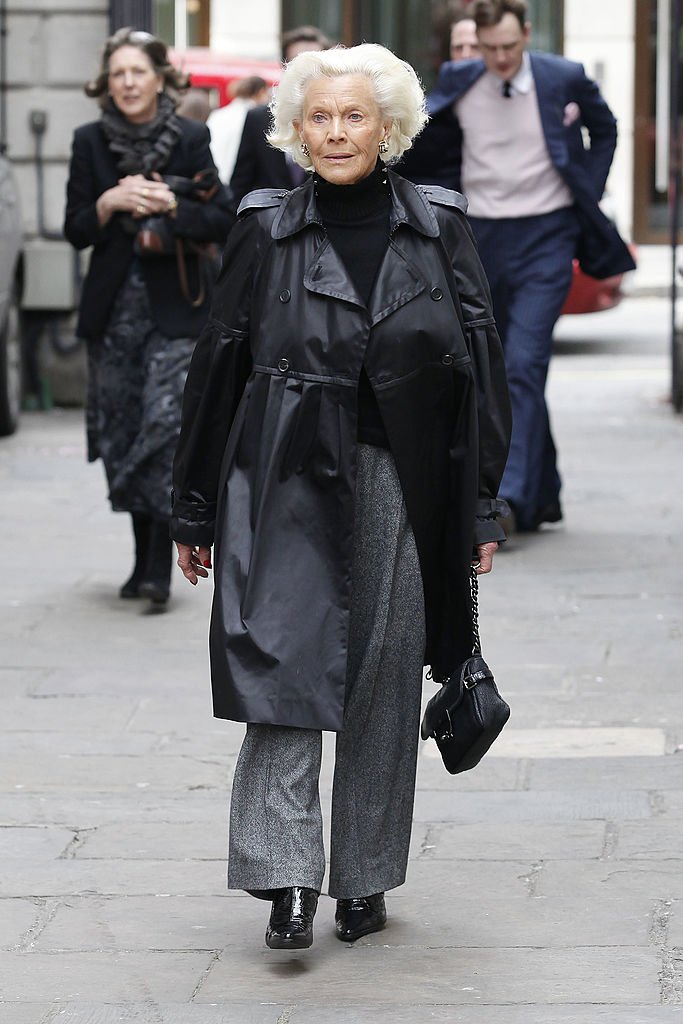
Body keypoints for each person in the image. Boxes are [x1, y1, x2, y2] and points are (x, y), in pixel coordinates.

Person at [170, 43, 511, 951]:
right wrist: (194, 507)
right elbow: (219, 365)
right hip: (279, 475)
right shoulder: (264, 224)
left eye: (353, 116)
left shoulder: (438, 225)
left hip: (403, 480)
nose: (333, 132)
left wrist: (480, 504)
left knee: (384, 678)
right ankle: (287, 876)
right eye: (317, 116)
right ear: (294, 128)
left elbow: (479, 368)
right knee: (280, 671)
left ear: (388, 127)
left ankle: (363, 877)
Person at [400, 0, 635, 533]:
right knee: (493, 367)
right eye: (489, 48)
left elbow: (607, 128)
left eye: (510, 46)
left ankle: (505, 500)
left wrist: (588, 190)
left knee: (524, 364)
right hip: (481, 237)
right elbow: (427, 140)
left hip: (548, 234)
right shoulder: (461, 77)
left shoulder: (562, 76)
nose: (501, 58)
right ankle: (541, 493)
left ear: (526, 33)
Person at [64, 27, 234, 606]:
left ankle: (160, 565)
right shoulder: (89, 142)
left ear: (160, 78)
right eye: (119, 74)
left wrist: (173, 204)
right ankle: (141, 559)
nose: (129, 82)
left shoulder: (191, 137)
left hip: (178, 311)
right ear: (106, 85)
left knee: (166, 430)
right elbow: (74, 228)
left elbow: (224, 217)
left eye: (139, 72)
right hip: (114, 314)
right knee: (123, 432)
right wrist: (107, 203)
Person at [228, 25, 331, 205]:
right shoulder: (258, 118)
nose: (304, 73)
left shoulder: (338, 121)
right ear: (284, 66)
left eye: (314, 66)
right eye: (296, 64)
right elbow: (240, 185)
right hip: (269, 225)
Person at [207, 76, 271, 184]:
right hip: (235, 178)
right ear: (261, 92)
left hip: (214, 177)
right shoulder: (253, 118)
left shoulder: (217, 115)